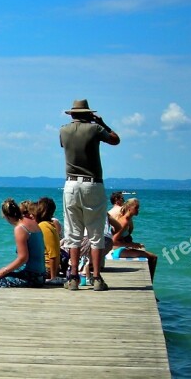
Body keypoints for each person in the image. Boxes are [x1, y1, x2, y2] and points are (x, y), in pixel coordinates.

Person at [59, 98, 120, 291]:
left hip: (70, 184)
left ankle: (74, 277)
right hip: (92, 184)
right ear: (88, 114)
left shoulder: (63, 130)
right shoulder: (95, 130)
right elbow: (115, 140)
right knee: (95, 233)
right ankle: (96, 278)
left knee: (72, 233)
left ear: (72, 114)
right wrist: (100, 122)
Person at [0, 198, 45, 296]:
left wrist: (3, 271)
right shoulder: (31, 221)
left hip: (33, 278)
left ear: (7, 217)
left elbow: (23, 258)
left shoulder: (20, 228)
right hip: (40, 275)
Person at [111, 198, 158, 282]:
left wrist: (133, 244)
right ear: (129, 208)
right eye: (136, 207)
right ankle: (150, 283)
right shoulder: (124, 221)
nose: (138, 210)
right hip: (117, 251)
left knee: (151, 256)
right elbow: (113, 241)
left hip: (121, 249)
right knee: (153, 257)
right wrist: (133, 245)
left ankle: (149, 282)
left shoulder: (128, 220)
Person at [35, 197, 63, 284]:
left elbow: (53, 254)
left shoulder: (44, 226)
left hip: (47, 269)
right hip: (47, 268)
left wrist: (53, 277)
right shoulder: (49, 225)